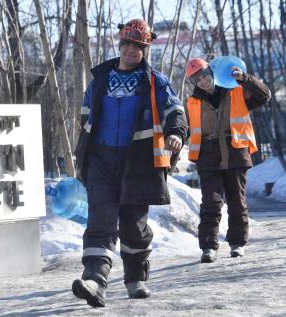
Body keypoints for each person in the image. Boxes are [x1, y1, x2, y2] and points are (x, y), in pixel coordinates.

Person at [72, 19, 188, 307]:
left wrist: (175, 134)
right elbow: (85, 114)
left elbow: (175, 111)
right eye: (127, 44)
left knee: (133, 225)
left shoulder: (155, 81)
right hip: (100, 159)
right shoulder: (100, 79)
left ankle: (136, 278)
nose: (131, 50)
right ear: (120, 45)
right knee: (101, 218)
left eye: (138, 46)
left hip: (138, 161)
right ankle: (95, 281)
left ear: (144, 49)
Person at [185, 57, 271, 263]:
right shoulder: (192, 102)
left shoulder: (237, 91)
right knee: (211, 203)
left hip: (235, 154)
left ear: (212, 72)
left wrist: (245, 79)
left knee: (236, 202)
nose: (203, 81)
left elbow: (265, 95)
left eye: (204, 75)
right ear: (193, 83)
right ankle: (208, 246)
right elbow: (184, 128)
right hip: (208, 157)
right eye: (197, 79)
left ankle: (237, 243)